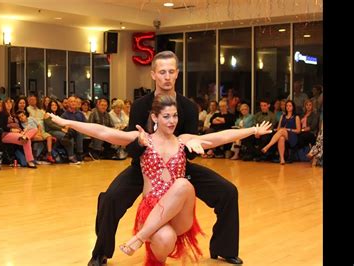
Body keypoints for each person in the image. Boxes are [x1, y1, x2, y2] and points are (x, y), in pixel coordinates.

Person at [49, 95, 272, 265]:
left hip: (179, 213)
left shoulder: (184, 140)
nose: (172, 120)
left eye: (174, 116)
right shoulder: (143, 139)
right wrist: (66, 122)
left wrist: (253, 130)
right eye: (166, 116)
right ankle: (151, 243)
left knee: (184, 183)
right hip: (151, 210)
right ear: (155, 117)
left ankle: (139, 237)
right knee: (164, 239)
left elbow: (220, 137)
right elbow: (103, 132)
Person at [86, 51, 244, 265]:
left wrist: (192, 147)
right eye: (162, 72)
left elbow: (190, 144)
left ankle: (224, 249)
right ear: (153, 75)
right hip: (145, 167)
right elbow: (132, 144)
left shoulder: (188, 107)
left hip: (179, 170)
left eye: (171, 71)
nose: (167, 76)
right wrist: (140, 144)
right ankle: (100, 253)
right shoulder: (141, 105)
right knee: (111, 198)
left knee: (227, 192)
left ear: (177, 73)